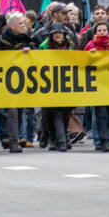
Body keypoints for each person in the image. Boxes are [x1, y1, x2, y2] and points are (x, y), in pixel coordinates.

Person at [0, 12, 36, 153]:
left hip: (24, 79)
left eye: (24, 23)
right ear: (11, 26)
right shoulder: (2, 40)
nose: (24, 26)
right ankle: (12, 141)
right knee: (11, 110)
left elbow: (37, 55)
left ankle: (15, 138)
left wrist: (31, 51)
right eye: (20, 24)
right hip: (7, 80)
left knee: (19, 110)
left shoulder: (27, 39)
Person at [83, 22, 109, 152]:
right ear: (95, 33)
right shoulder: (90, 45)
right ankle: (104, 141)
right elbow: (82, 63)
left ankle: (108, 136)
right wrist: (89, 55)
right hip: (97, 84)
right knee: (101, 113)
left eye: (104, 30)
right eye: (99, 30)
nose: (102, 32)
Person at [39, 23, 73, 151]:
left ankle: (62, 137)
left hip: (67, 84)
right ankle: (59, 140)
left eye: (60, 32)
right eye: (55, 33)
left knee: (65, 113)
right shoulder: (44, 47)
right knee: (53, 113)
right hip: (50, 85)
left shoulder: (71, 46)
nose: (58, 35)